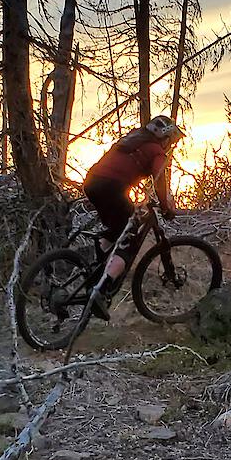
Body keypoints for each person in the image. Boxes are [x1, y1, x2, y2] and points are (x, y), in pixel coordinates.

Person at [81, 114, 184, 319]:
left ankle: (97, 268)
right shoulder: (155, 150)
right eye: (169, 141)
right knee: (129, 239)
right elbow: (160, 181)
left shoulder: (132, 139)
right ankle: (101, 289)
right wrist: (166, 207)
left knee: (116, 228)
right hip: (112, 188)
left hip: (92, 183)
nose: (168, 146)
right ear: (163, 137)